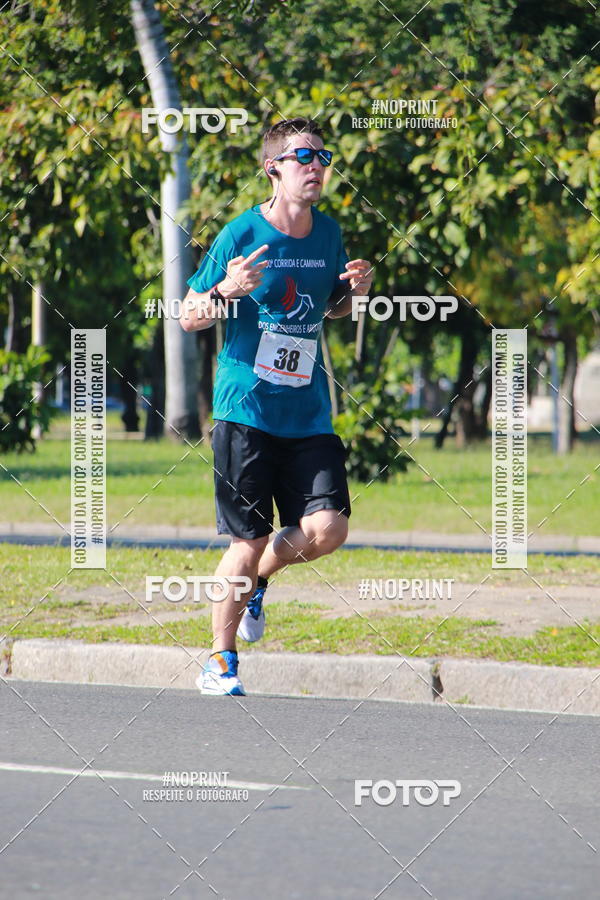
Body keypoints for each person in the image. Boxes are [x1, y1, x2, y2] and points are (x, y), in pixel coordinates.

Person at [181, 117, 373, 695]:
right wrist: (225, 291)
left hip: (307, 412)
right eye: (303, 157)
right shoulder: (240, 234)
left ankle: (260, 580)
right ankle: (220, 661)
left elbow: (329, 306)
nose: (317, 167)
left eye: (323, 157)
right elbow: (189, 315)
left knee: (329, 529)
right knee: (248, 540)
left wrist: (354, 294)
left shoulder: (328, 234)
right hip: (246, 411)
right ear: (274, 168)